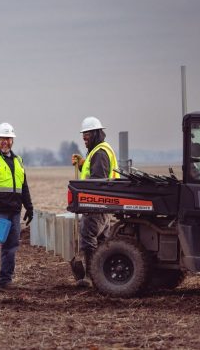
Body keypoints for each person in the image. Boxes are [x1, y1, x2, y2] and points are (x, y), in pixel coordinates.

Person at [0, 122, 34, 291]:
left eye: (8, 139)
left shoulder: (18, 160)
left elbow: (23, 186)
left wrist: (29, 207)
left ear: (12, 141)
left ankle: (5, 280)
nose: (5, 142)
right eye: (2, 138)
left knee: (11, 247)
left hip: (14, 211)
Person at [70, 116, 119, 288]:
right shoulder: (100, 150)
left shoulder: (99, 152)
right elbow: (96, 174)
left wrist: (85, 200)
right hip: (103, 205)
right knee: (101, 240)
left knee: (89, 238)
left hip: (96, 205)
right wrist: (83, 164)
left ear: (96, 133)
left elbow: (98, 181)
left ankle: (92, 276)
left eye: (87, 134)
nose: (84, 138)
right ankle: (102, 276)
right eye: (83, 134)